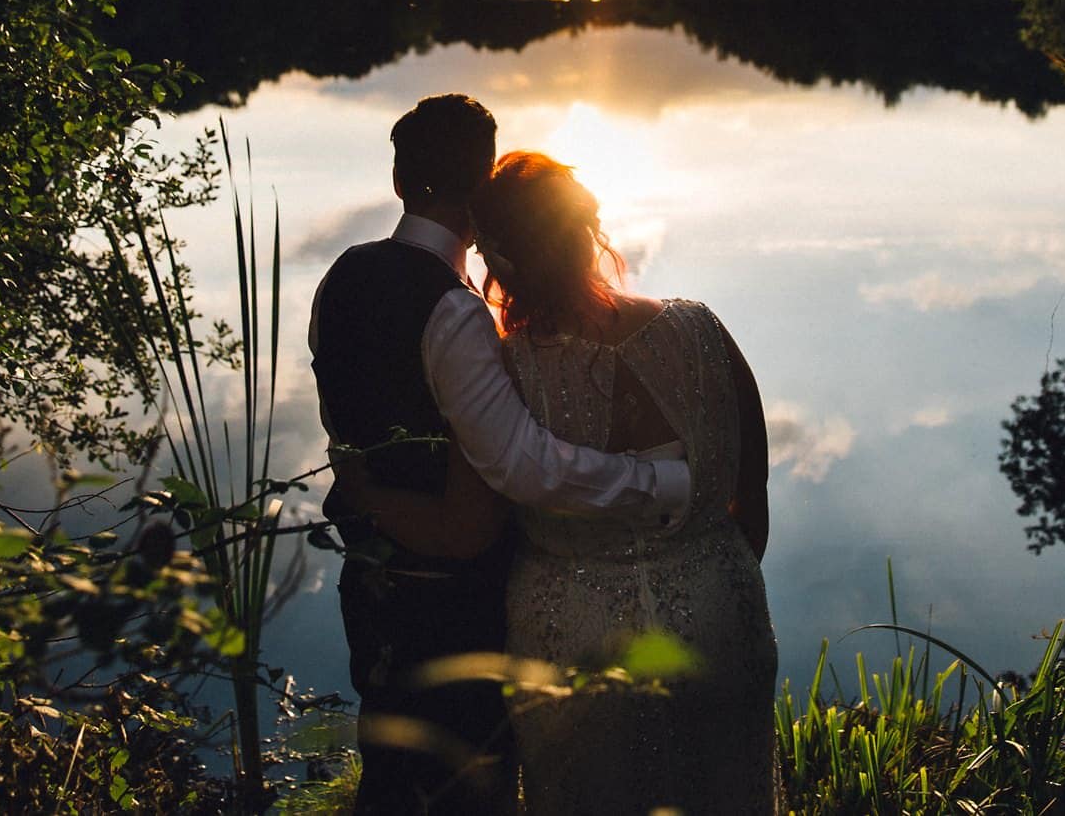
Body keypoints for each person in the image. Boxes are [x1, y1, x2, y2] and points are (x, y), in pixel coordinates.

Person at [352, 151, 780, 815]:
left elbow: (469, 526)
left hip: (574, 640)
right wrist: (701, 574)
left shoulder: (501, 375)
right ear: (585, 229)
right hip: (721, 614)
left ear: (496, 255)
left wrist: (367, 495)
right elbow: (750, 508)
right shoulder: (703, 327)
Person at [309, 96, 691, 815]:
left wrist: (373, 499)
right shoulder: (454, 310)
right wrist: (660, 479)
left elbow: (344, 426)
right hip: (453, 603)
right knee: (467, 780)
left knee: (390, 763)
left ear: (398, 178)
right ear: (480, 183)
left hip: (368, 581)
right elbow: (522, 463)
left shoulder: (341, 279)